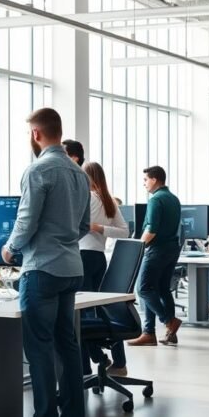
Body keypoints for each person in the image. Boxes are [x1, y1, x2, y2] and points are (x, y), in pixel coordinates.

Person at [2, 108, 91, 417]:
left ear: (37, 134)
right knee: (66, 347)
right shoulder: (78, 173)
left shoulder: (38, 170)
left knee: (38, 350)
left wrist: (10, 249)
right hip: (71, 268)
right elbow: (83, 226)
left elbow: (26, 221)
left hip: (42, 269)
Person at [79, 161, 130, 377]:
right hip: (99, 258)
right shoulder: (109, 201)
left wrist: (93, 227)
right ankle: (119, 363)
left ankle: (88, 367)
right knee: (103, 309)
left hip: (81, 257)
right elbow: (124, 232)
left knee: (79, 314)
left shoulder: (86, 198)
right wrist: (100, 228)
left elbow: (72, 229)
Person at [128, 166, 183, 347]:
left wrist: (137, 248)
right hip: (172, 249)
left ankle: (168, 321)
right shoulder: (174, 199)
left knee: (143, 288)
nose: (144, 184)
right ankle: (155, 334)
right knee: (162, 289)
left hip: (157, 250)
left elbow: (151, 229)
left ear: (154, 179)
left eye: (145, 180)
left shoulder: (156, 200)